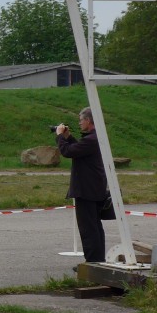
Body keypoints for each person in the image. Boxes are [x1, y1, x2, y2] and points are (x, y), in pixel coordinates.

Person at [56, 107, 107, 263]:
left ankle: (93, 262)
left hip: (86, 190)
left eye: (81, 120)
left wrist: (59, 137)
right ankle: (97, 260)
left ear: (88, 120)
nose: (79, 123)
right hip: (93, 188)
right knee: (94, 226)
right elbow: (78, 149)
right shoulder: (95, 138)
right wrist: (68, 137)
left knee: (88, 229)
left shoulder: (91, 139)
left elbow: (68, 152)